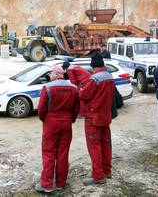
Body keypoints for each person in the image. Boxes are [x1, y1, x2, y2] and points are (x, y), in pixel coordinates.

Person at [35, 65, 80, 193]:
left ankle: (47, 185)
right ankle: (61, 183)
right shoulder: (73, 88)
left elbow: (41, 109)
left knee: (49, 153)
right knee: (63, 153)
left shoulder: (47, 87)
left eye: (51, 73)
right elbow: (77, 107)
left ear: (55, 74)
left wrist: (45, 119)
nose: (49, 75)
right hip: (66, 123)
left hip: (51, 122)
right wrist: (71, 119)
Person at [79, 53, 115, 185]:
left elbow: (83, 95)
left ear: (92, 65)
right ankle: (107, 171)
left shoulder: (94, 79)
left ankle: (98, 176)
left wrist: (81, 86)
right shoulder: (109, 77)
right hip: (105, 116)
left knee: (94, 146)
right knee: (105, 144)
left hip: (93, 117)